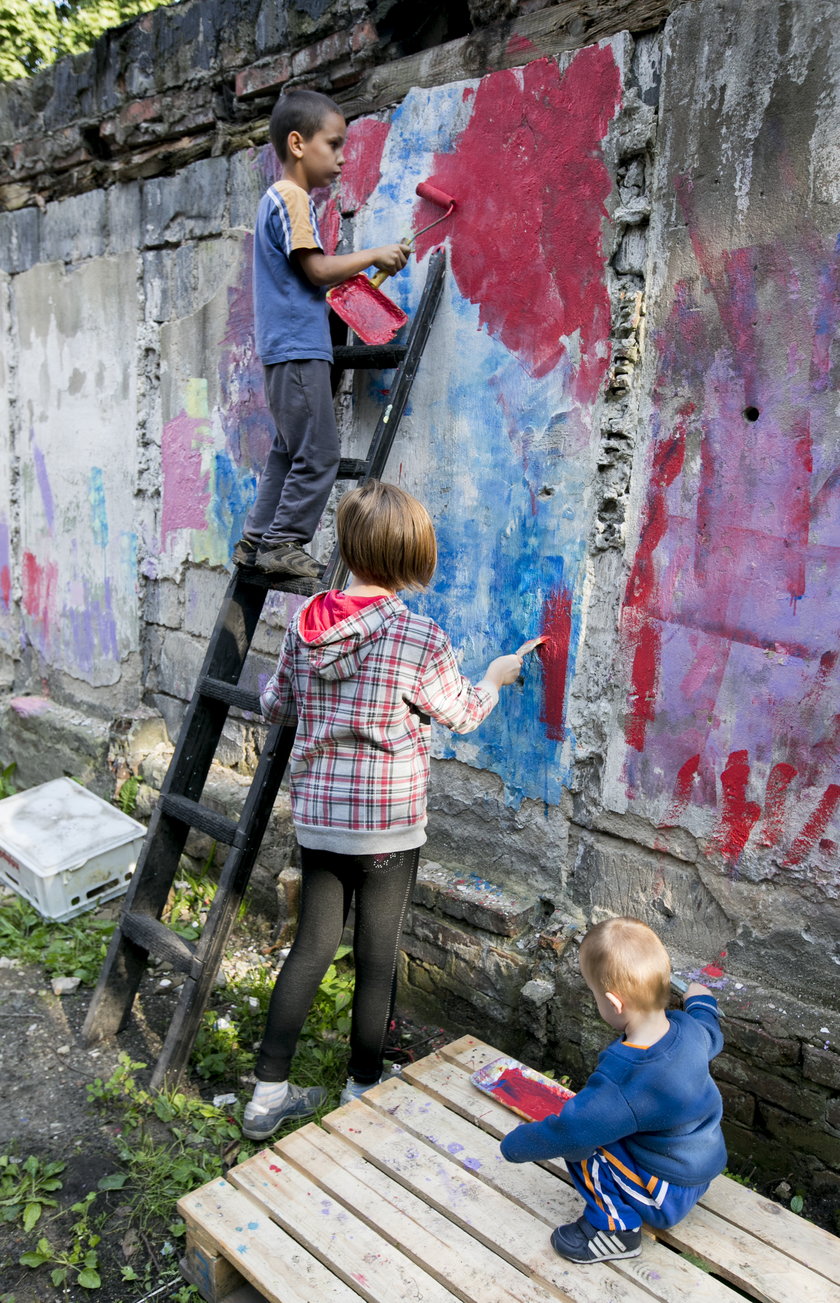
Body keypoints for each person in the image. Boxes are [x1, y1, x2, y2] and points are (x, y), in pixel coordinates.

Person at [242, 479, 525, 1138]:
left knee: (310, 949)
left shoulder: (306, 622)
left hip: (319, 820)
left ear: (348, 546)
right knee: (375, 957)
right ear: (408, 558)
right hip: (388, 829)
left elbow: (275, 706)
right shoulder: (417, 635)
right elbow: (461, 713)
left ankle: (266, 1095)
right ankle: (360, 1087)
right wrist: (495, 676)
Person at [232, 89, 410, 580]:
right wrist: (373, 254)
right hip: (297, 348)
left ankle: (255, 541)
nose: (342, 155)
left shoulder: (276, 198)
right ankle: (284, 542)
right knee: (321, 454)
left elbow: (309, 275)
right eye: (333, 144)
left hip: (283, 351)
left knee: (288, 451)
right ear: (296, 143)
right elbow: (315, 270)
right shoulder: (292, 197)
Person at [500, 916, 726, 1264]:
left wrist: (516, 1145)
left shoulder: (626, 1074)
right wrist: (702, 1001)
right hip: (701, 1167)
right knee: (596, 1126)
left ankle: (614, 1231)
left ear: (614, 1002)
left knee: (584, 1147)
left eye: (594, 995)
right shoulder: (688, 1028)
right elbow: (712, 1031)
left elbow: (572, 1131)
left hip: (665, 1193)